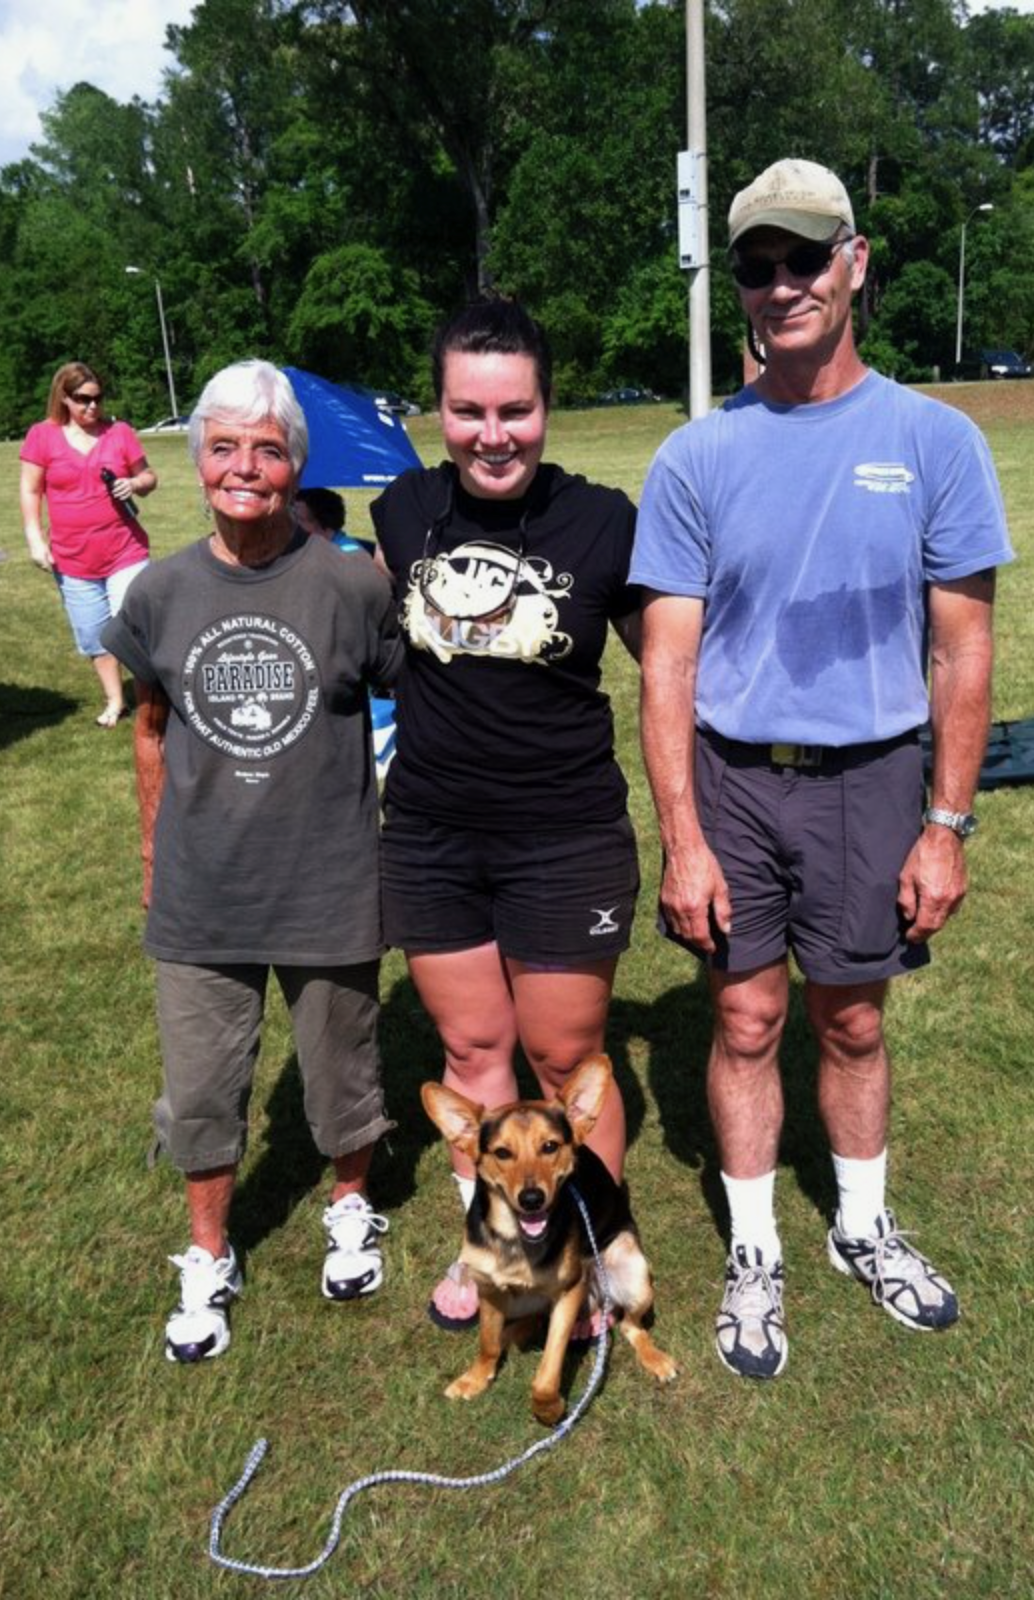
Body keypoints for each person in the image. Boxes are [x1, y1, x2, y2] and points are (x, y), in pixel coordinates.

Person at [630, 158, 1015, 1380]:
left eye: (806, 257)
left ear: (856, 261)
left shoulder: (934, 439)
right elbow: (666, 672)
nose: (783, 284)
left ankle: (862, 1225)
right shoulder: (696, 456)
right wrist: (683, 839)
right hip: (734, 776)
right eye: (759, 265)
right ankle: (755, 1253)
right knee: (745, 1017)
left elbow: (962, 646)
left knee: (850, 1020)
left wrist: (945, 822)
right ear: (737, 286)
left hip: (873, 777)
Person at [101, 360, 400, 1363]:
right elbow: (149, 727)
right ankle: (208, 1252)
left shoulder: (354, 584)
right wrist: (153, 848)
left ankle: (351, 1206)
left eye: (267, 451)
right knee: (200, 1087)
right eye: (224, 447)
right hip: (203, 888)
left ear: (294, 467)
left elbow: (416, 699)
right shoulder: (160, 590)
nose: (245, 468)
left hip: (329, 878)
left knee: (342, 1072)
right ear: (197, 463)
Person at [369, 298, 641, 1332]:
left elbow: (676, 657)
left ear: (547, 406)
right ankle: (490, 1251)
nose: (494, 435)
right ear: (438, 409)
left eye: (515, 410)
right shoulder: (404, 511)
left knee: (566, 1066)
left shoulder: (605, 521)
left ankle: (594, 1252)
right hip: (433, 835)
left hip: (564, 838)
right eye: (469, 410)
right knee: (475, 1061)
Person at [20, 363, 157, 726]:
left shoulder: (120, 432)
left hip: (125, 549)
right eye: (83, 400)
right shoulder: (42, 436)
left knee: (135, 625)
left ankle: (153, 697)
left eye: (98, 398)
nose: (93, 407)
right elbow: (31, 490)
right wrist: (35, 539)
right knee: (94, 635)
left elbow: (149, 475)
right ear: (64, 397)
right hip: (72, 558)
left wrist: (136, 483)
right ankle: (116, 701)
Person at [295, 486, 396, 779]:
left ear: (324, 526)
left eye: (300, 519)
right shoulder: (320, 552)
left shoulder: (348, 562)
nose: (291, 524)